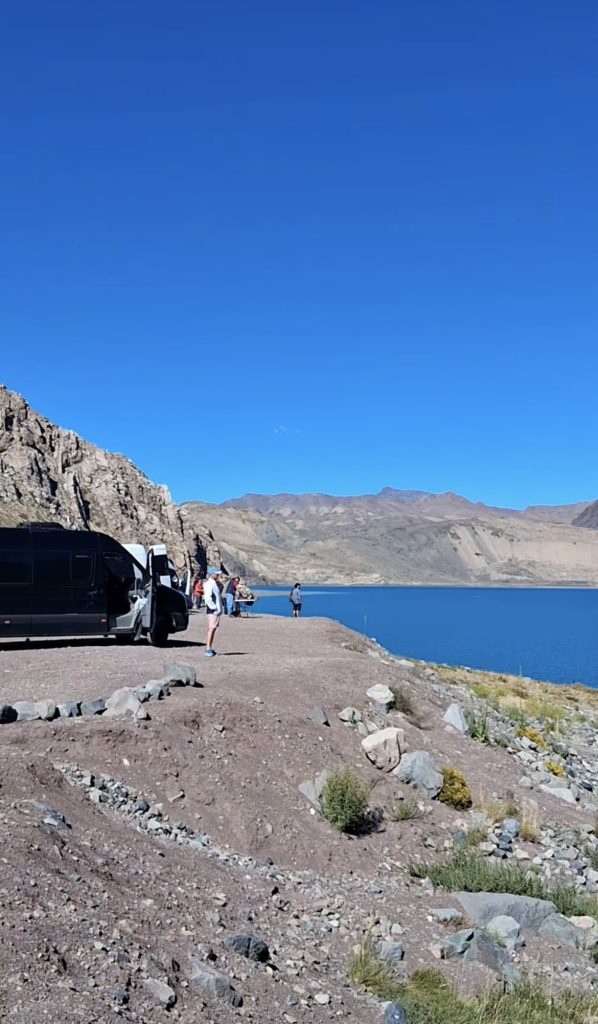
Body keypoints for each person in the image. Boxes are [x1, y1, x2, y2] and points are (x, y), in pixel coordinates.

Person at [203, 567, 223, 657]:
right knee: (211, 628)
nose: (218, 575)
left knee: (213, 628)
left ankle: (209, 647)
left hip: (215, 610)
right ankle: (208, 649)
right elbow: (208, 598)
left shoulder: (213, 583)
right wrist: (214, 607)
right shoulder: (209, 584)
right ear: (212, 574)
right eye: (217, 574)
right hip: (213, 610)